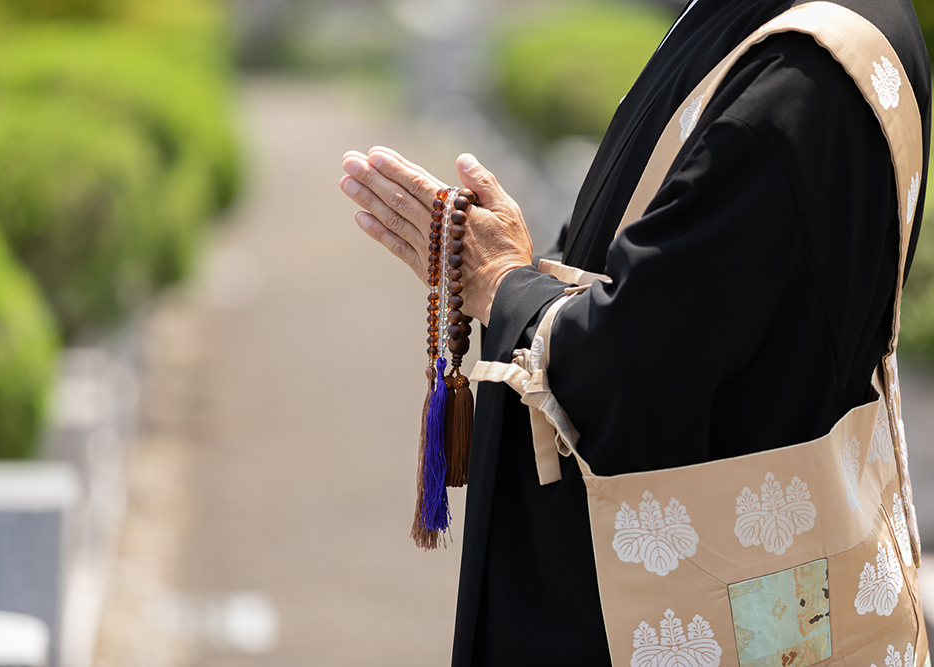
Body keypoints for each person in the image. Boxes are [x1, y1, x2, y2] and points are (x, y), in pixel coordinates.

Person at [339, 0, 932, 664]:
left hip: (699, 596)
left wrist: (501, 282)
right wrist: (526, 269)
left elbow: (642, 356)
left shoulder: (801, 74)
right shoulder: (789, 29)